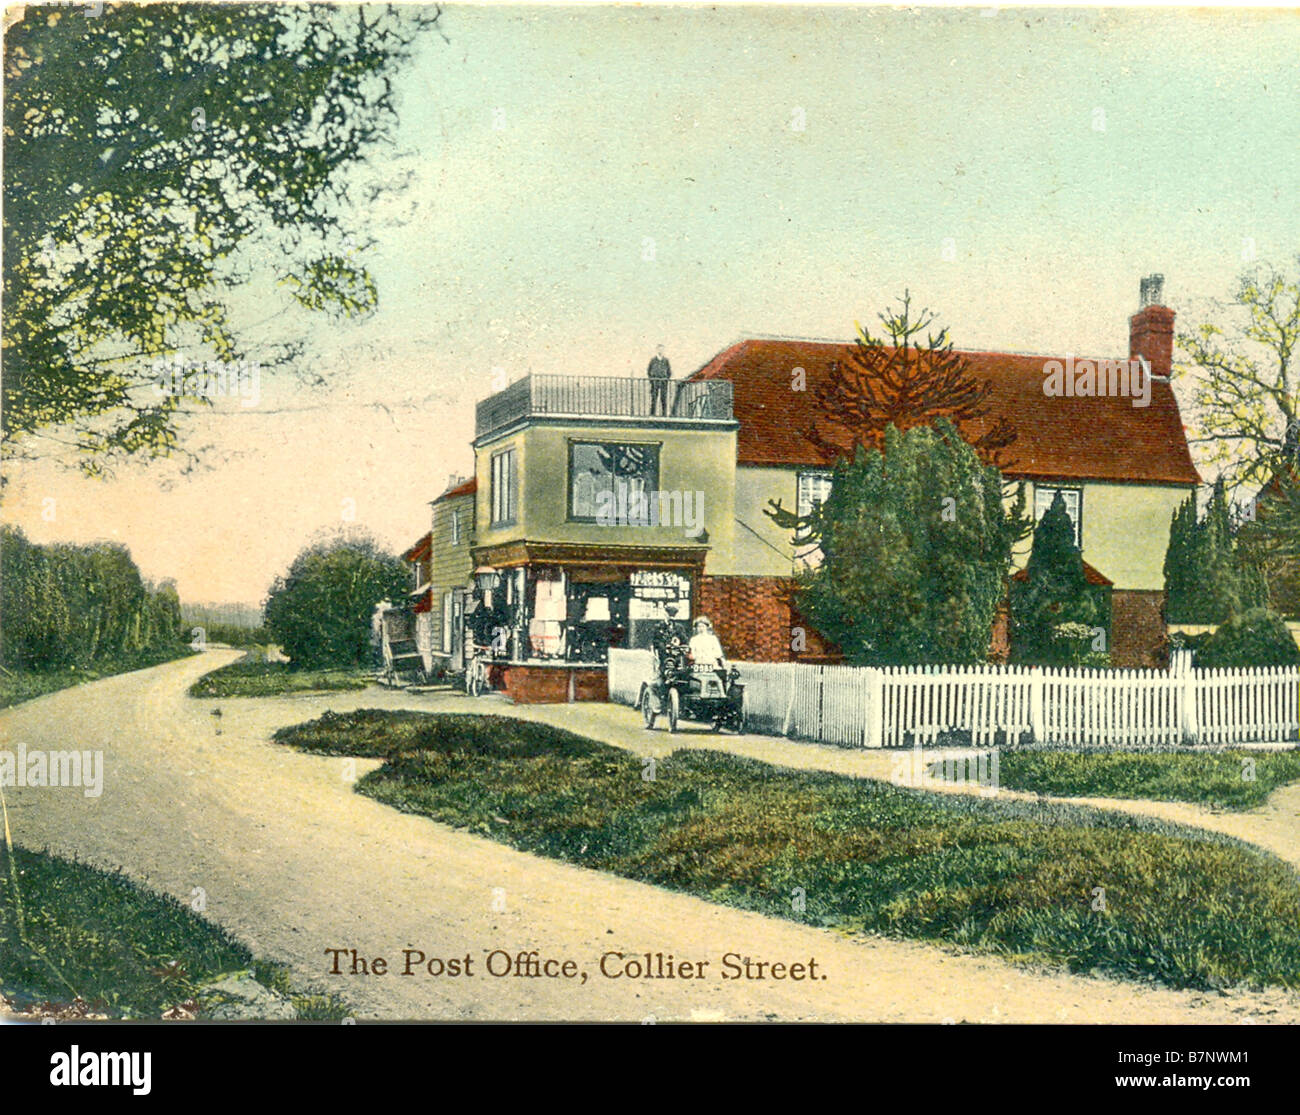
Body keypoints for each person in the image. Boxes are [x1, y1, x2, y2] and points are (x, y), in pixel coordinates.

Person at [647, 345, 671, 416]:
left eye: (662, 350)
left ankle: (664, 414)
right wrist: (652, 379)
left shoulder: (666, 360)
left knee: (663, 398)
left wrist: (666, 379)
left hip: (663, 381)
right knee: (654, 398)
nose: (661, 351)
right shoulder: (653, 360)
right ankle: (652, 414)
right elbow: (649, 371)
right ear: (657, 350)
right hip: (655, 382)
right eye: (659, 350)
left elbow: (669, 371)